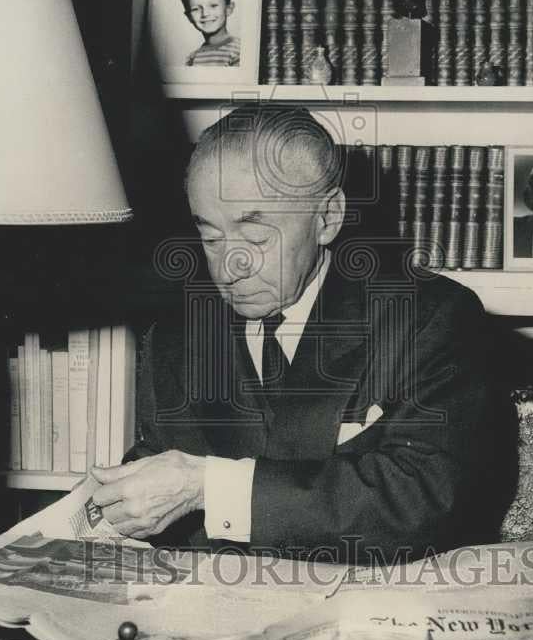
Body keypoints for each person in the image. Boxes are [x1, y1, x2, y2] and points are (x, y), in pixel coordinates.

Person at [91, 106, 507, 564]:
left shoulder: (428, 317)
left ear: (327, 217)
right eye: (211, 238)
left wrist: (207, 488)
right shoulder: (175, 335)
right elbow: (160, 470)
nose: (230, 266)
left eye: (257, 237)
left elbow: (425, 499)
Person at [182, 0, 241, 67]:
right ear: (189, 16)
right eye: (196, 9)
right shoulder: (192, 58)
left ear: (229, 9)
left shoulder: (239, 51)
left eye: (213, 6)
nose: (205, 14)